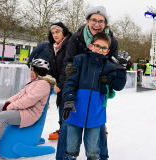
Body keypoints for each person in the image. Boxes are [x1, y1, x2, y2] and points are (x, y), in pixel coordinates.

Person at [56, 6, 119, 160]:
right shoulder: (76, 37)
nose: (97, 24)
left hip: (96, 89)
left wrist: (107, 79)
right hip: (75, 84)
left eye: (101, 21)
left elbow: (112, 64)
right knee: (68, 123)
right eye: (94, 20)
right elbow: (68, 59)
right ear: (87, 21)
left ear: (105, 24)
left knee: (97, 123)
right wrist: (69, 72)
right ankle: (64, 157)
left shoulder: (112, 41)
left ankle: (100, 156)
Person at [0, 59, 56, 160]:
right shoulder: (32, 81)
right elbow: (19, 94)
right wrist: (8, 103)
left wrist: (9, 107)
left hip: (29, 114)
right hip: (21, 109)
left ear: (39, 72)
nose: (31, 72)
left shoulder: (43, 84)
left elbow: (28, 101)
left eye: (33, 70)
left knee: (3, 116)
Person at [61, 32, 127, 159]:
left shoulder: (109, 67)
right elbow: (70, 82)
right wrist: (69, 100)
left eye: (104, 48)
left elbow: (118, 86)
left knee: (93, 151)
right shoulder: (80, 60)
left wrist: (121, 70)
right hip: (75, 111)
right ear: (91, 46)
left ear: (108, 51)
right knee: (71, 148)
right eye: (97, 46)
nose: (100, 50)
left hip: (95, 114)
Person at [47, 22, 72, 140]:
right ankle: (62, 128)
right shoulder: (53, 47)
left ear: (64, 32)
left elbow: (67, 66)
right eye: (53, 33)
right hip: (60, 82)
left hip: (69, 82)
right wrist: (47, 78)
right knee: (61, 104)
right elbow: (52, 66)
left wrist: (61, 84)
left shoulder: (69, 45)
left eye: (57, 32)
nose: (55, 35)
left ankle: (67, 130)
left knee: (66, 105)